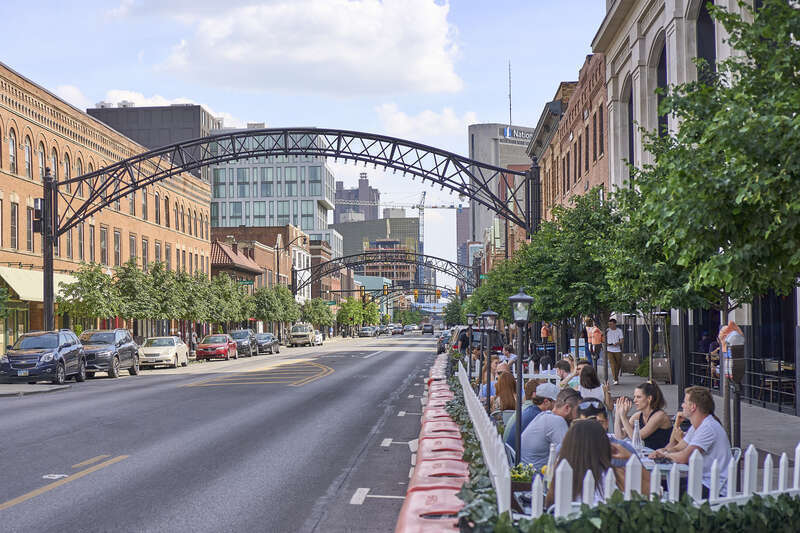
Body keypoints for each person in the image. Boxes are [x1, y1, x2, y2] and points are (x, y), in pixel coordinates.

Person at [544, 420, 649, 507]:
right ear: (603, 444)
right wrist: (631, 457)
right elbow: (652, 494)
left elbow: (549, 507)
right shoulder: (618, 475)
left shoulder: (561, 475)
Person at [650, 386, 731, 496]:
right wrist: (664, 450)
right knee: (654, 484)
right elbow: (679, 447)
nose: (682, 405)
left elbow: (684, 457)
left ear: (693, 407)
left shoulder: (708, 427)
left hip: (714, 489)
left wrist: (665, 455)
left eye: (685, 402)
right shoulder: (697, 426)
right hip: (701, 482)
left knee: (658, 489)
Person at [520, 389, 580, 469]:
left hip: (527, 471)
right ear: (567, 408)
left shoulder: (545, 416)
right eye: (578, 410)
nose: (580, 414)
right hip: (536, 477)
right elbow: (570, 454)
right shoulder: (557, 421)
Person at [575, 399, 639, 468]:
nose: (593, 427)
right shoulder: (566, 449)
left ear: (607, 423)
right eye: (586, 423)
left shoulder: (625, 449)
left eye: (599, 422)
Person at [614, 381, 672, 450]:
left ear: (649, 399)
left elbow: (635, 438)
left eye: (638, 397)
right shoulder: (637, 416)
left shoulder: (660, 416)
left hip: (663, 456)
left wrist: (623, 417)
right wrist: (618, 414)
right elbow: (620, 436)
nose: (634, 400)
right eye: (634, 397)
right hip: (648, 454)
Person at [504, 379, 544, 444]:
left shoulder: (524, 408)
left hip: (508, 450)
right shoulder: (532, 411)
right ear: (534, 394)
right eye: (544, 392)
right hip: (515, 451)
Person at [606, 319, 624, 385]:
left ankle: (616, 377)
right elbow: (603, 339)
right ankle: (615, 379)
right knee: (613, 364)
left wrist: (618, 343)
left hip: (617, 350)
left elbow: (622, 340)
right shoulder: (607, 331)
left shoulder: (619, 331)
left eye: (611, 324)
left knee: (618, 364)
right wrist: (606, 344)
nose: (610, 325)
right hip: (609, 350)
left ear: (615, 324)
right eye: (609, 324)